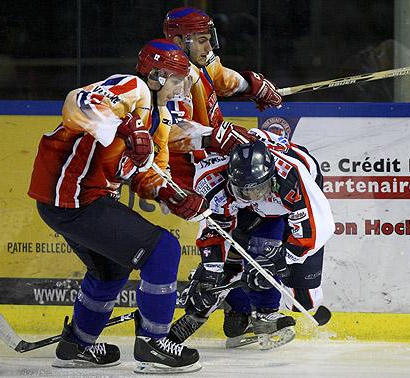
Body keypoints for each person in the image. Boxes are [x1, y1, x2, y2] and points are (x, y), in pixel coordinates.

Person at [27, 39, 209, 374]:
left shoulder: (161, 120)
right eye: (176, 79)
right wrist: (124, 127)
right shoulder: (133, 89)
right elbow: (78, 101)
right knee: (164, 250)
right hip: (73, 197)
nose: (182, 87)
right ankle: (154, 343)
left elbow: (148, 177)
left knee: (110, 270)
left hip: (73, 202)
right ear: (156, 75)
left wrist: (177, 198)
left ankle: (78, 345)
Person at [167, 135, 334, 350]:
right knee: (234, 258)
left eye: (258, 189)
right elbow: (215, 233)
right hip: (247, 210)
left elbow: (318, 227)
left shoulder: (291, 175)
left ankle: (257, 308)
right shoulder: (212, 181)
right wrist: (210, 272)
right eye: (246, 190)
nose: (254, 194)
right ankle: (243, 312)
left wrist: (283, 258)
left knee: (303, 300)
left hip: (286, 205)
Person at [161, 6, 284, 190]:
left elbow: (220, 77)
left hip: (210, 158)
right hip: (188, 175)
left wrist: (252, 86)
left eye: (209, 40)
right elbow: (170, 132)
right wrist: (214, 136)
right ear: (179, 42)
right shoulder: (173, 76)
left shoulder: (198, 59)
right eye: (202, 41)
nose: (209, 47)